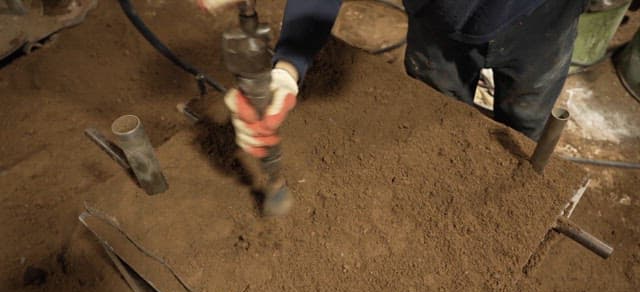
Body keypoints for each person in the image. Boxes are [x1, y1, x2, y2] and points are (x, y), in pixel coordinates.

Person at [225, 0, 587, 159]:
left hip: (543, 18)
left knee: (525, 115)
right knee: (437, 107)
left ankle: (517, 177)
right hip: (438, 22)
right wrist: (288, 68)